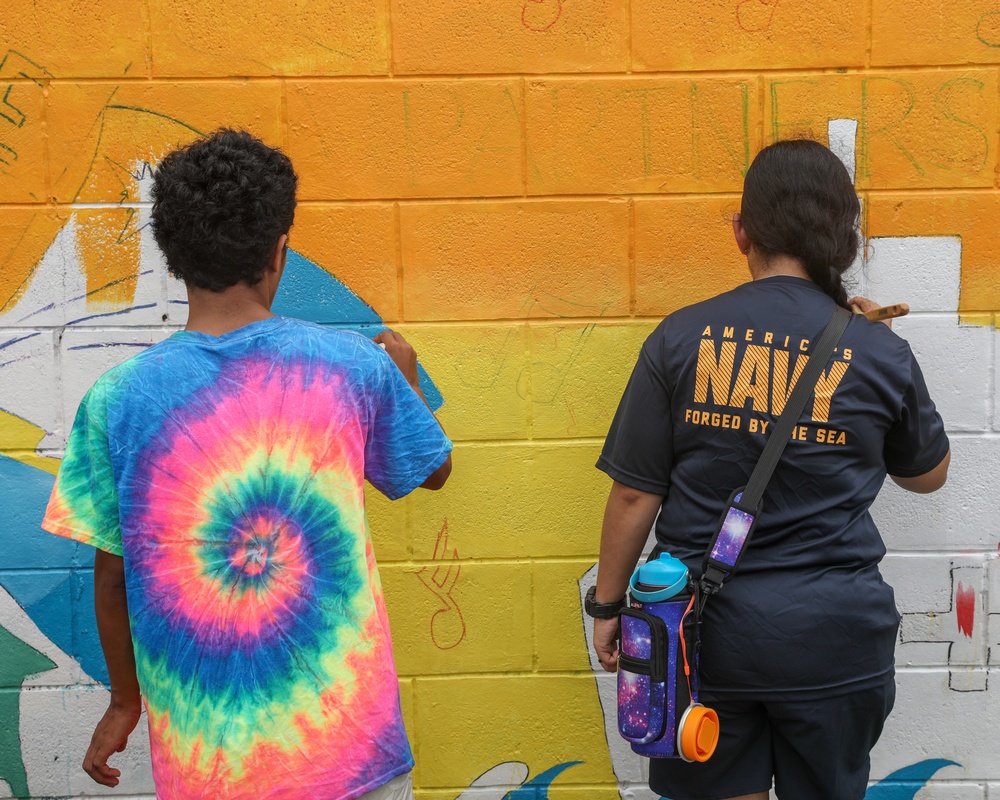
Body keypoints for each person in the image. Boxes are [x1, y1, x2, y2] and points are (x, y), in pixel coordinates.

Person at [41, 129, 452, 800]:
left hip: (210, 768)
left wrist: (124, 700)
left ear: (174, 260)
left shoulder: (115, 398)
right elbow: (430, 471)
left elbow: (112, 575)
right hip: (350, 754)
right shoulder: (353, 367)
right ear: (278, 252)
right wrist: (401, 383)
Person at [589, 139, 950, 800]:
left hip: (703, 635)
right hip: (834, 637)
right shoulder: (875, 350)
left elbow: (635, 495)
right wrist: (882, 350)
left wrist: (607, 605)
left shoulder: (681, 337)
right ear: (846, 243)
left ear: (741, 232)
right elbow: (926, 476)